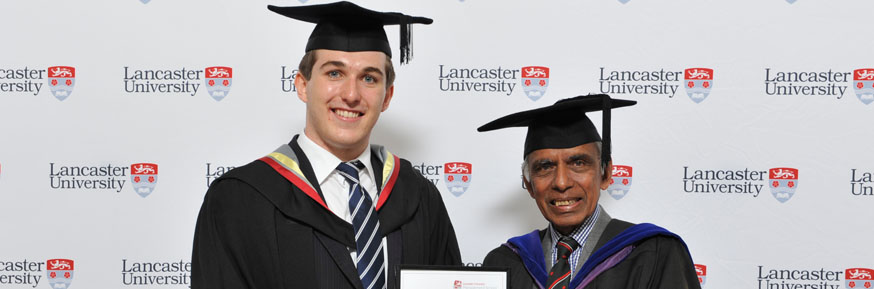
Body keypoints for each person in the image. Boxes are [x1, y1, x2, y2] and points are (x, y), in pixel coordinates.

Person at [191, 2, 462, 288]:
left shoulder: (418, 197)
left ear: (386, 97)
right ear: (302, 85)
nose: (351, 94)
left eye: (369, 78)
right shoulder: (240, 199)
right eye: (334, 73)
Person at [478, 94, 700, 289]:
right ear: (529, 184)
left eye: (578, 163)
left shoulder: (656, 254)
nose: (562, 183)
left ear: (605, 174)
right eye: (545, 167)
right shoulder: (504, 264)